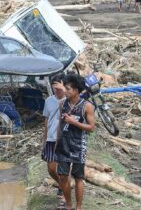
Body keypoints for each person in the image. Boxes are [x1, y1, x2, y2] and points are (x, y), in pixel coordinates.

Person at [55, 74, 95, 210]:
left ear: (76, 90)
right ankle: (69, 205)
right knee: (63, 176)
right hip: (63, 144)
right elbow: (60, 124)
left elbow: (91, 128)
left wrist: (74, 122)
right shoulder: (63, 104)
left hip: (79, 145)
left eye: (68, 89)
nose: (64, 91)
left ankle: (78, 207)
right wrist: (57, 141)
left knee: (78, 177)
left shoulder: (87, 106)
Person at [42, 74, 66, 207]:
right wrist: (45, 138)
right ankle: (63, 184)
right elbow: (46, 119)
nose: (56, 90)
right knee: (51, 169)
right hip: (51, 138)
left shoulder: (70, 100)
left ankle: (64, 196)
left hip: (64, 140)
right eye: (54, 87)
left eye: (59, 87)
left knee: (62, 168)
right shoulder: (49, 101)